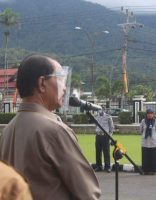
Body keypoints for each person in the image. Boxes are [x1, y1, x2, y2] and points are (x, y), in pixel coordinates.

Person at [0, 55, 101, 200]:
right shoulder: (54, 130)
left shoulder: (8, 129)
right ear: (42, 83)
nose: (65, 88)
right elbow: (88, 193)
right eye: (60, 79)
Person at [139, 108, 156, 175]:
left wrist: (154, 134)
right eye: (148, 114)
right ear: (146, 114)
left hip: (154, 142)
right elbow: (140, 130)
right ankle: (145, 170)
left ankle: (153, 171)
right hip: (145, 142)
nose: (149, 115)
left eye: (151, 114)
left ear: (153, 114)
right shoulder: (143, 121)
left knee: (153, 157)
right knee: (145, 157)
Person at [94, 109, 114, 173]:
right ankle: (99, 166)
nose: (100, 111)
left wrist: (110, 136)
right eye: (99, 110)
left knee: (106, 152)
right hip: (98, 135)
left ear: (104, 110)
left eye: (101, 110)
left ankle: (107, 167)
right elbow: (96, 126)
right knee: (98, 152)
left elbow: (111, 128)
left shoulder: (108, 117)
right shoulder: (96, 117)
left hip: (105, 136)